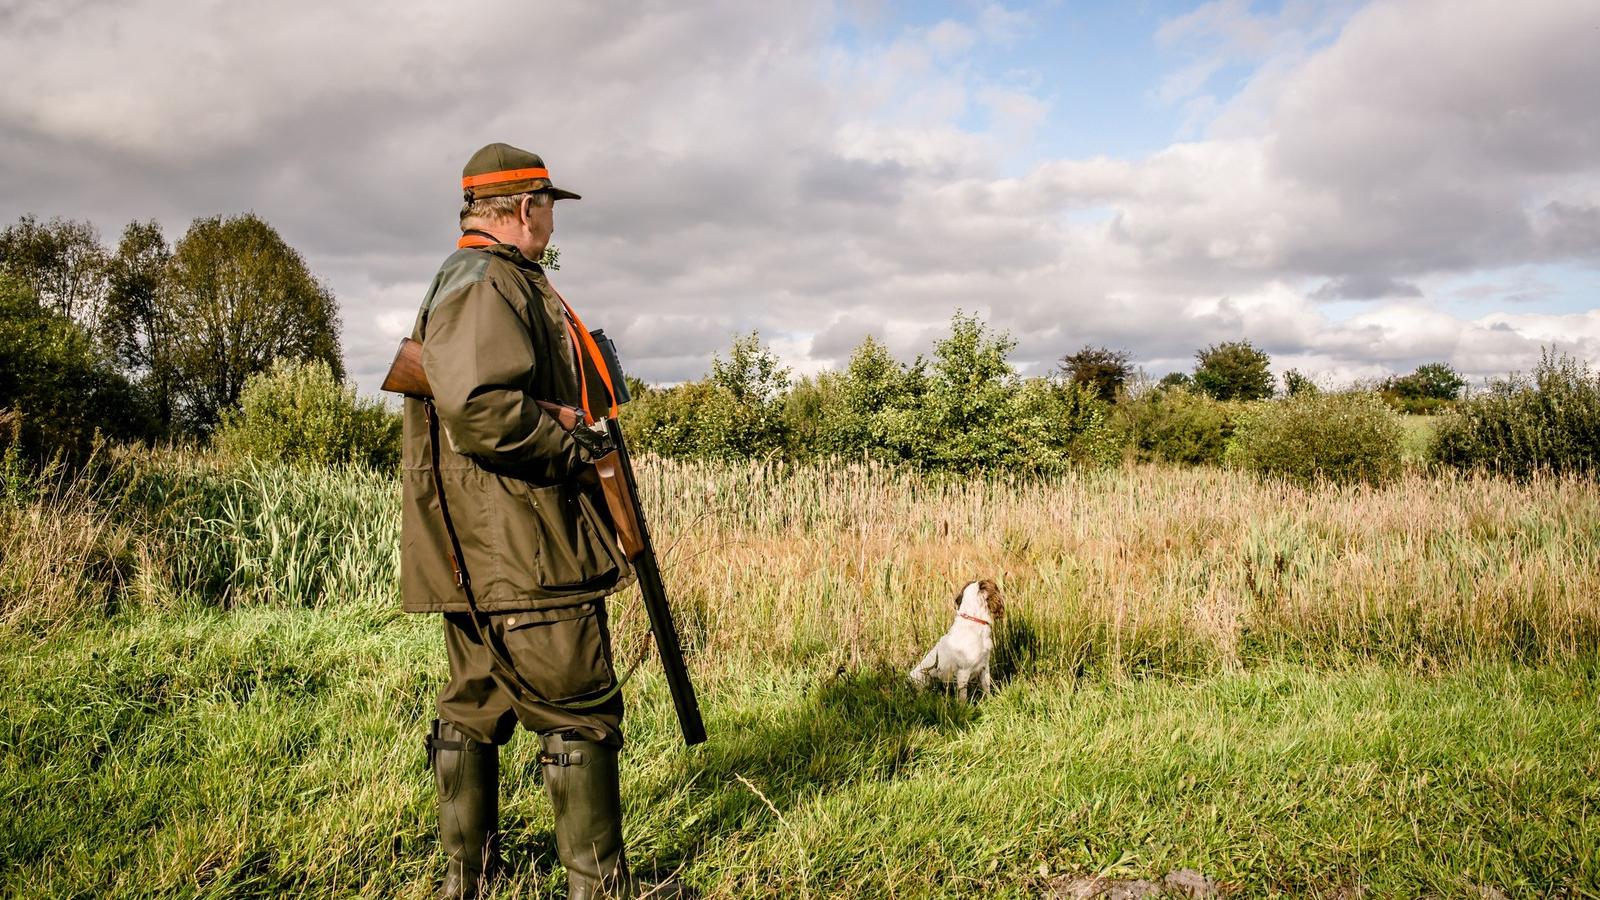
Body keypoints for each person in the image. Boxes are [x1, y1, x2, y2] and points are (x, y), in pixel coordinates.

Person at [401, 142, 667, 899]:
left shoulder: (481, 277)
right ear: (525, 208)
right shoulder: (488, 282)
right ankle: (597, 890)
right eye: (549, 206)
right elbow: (481, 407)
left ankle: (469, 881)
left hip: (485, 552)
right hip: (527, 547)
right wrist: (573, 445)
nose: (552, 221)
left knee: (476, 703)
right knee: (578, 707)